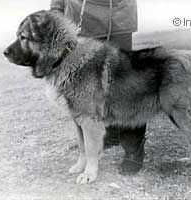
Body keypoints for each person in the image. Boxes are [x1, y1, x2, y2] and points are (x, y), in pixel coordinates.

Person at [50, 0, 146, 174]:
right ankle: (95, 144)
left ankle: (133, 147)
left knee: (123, 88)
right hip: (79, 20)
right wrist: (57, 10)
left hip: (117, 19)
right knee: (81, 91)